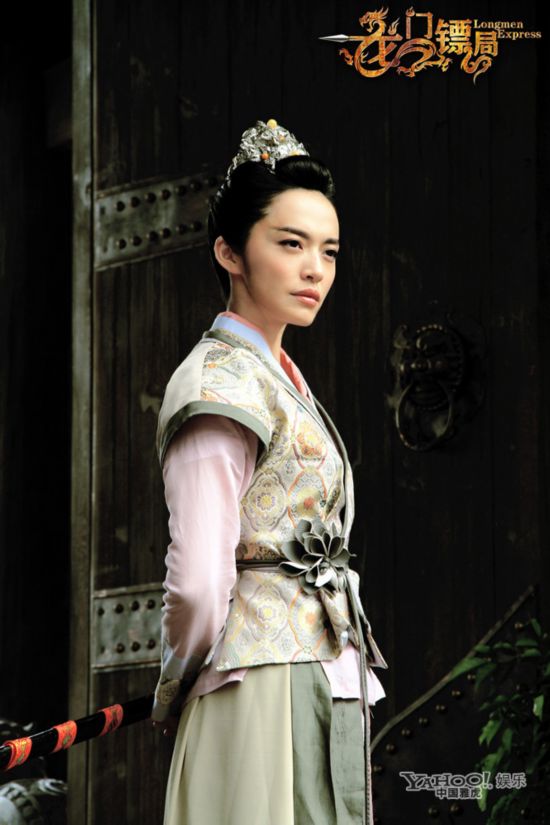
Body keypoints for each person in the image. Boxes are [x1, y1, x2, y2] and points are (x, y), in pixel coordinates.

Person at [151, 118, 389, 825]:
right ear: (229, 251)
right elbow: (199, 581)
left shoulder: (274, 375)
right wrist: (177, 684)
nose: (315, 268)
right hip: (257, 689)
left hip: (317, 670)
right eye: (290, 244)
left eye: (328, 251)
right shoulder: (219, 383)